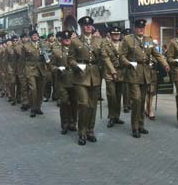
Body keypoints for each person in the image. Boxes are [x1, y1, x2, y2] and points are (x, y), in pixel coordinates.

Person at [120, 19, 169, 138]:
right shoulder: (128, 40)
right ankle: (135, 127)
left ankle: (141, 125)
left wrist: (165, 64)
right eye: (139, 27)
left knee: (142, 101)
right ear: (135, 28)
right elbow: (121, 56)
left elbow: (157, 54)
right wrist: (128, 63)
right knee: (136, 100)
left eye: (143, 27)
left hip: (146, 74)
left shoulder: (149, 40)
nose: (141, 29)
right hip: (133, 73)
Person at [68, 16, 103, 145]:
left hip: (95, 75)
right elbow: (70, 59)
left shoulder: (99, 40)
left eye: (90, 25)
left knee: (93, 105)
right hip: (80, 76)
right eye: (85, 25)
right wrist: (76, 66)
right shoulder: (75, 41)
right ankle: (81, 132)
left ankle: (90, 131)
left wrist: (110, 70)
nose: (88, 26)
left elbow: (103, 57)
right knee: (83, 104)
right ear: (81, 27)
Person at [50, 31, 77, 134]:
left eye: (69, 38)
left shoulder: (75, 50)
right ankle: (64, 124)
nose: (67, 40)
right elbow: (51, 65)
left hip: (75, 80)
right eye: (65, 39)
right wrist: (57, 69)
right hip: (62, 81)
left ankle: (73, 123)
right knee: (64, 102)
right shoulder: (56, 51)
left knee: (74, 103)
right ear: (61, 40)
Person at [101, 26, 125, 128]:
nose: (116, 36)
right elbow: (106, 59)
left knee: (119, 96)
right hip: (110, 73)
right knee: (112, 96)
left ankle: (117, 116)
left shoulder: (123, 44)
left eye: (118, 34)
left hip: (121, 73)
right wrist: (113, 71)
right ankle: (111, 117)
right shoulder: (105, 45)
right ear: (110, 35)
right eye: (114, 34)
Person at [22, 30, 49, 118]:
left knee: (40, 89)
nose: (35, 36)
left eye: (36, 35)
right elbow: (22, 59)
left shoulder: (43, 44)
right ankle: (33, 108)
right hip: (30, 69)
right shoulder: (26, 45)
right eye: (33, 35)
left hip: (41, 69)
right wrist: (24, 71)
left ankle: (38, 107)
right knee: (33, 89)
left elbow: (48, 55)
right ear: (30, 37)